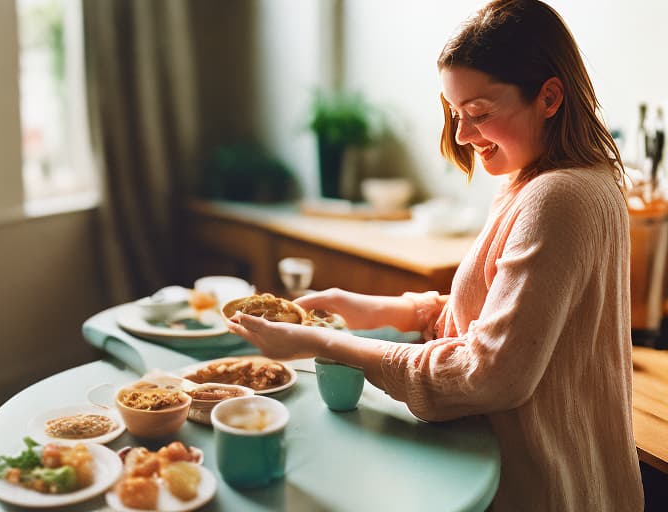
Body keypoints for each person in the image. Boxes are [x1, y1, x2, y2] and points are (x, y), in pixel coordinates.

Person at [226, 1, 644, 510]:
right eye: (455, 114)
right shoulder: (556, 183)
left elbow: (490, 373)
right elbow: (496, 316)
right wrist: (373, 308)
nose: (464, 136)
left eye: (479, 114)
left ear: (550, 96)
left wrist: (324, 343)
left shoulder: (557, 197)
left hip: (541, 488)